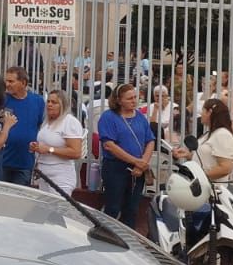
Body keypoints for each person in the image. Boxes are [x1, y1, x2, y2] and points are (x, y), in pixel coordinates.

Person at [98, 84, 154, 232]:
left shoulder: (140, 117)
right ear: (118, 100)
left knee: (132, 209)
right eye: (129, 98)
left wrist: (142, 164)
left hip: (138, 170)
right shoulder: (108, 117)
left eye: (135, 97)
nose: (134, 101)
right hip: (116, 168)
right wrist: (135, 161)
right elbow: (109, 145)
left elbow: (150, 140)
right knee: (114, 207)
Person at [32, 90, 86, 194]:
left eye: (54, 102)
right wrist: (36, 147)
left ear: (63, 105)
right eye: (48, 101)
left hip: (60, 176)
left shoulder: (70, 122)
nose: (49, 105)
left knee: (58, 208)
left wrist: (49, 149)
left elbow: (76, 152)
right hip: (43, 174)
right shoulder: (47, 122)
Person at [0, 66, 45, 187]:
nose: (7, 84)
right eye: (6, 81)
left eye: (11, 81)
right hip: (2, 161)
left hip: (25, 163)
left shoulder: (38, 101)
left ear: (23, 82)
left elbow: (41, 126)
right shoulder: (2, 100)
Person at [177, 98, 233, 185]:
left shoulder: (222, 135)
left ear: (209, 112)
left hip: (210, 189)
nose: (201, 114)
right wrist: (189, 155)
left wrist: (200, 177)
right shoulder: (210, 134)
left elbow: (226, 167)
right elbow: (208, 159)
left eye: (203, 111)